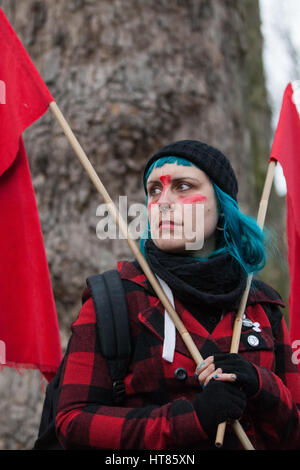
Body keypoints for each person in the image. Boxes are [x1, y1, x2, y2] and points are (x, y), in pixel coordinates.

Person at [55, 140, 300, 450]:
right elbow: (72, 422)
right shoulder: (115, 297)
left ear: (223, 206)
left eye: (183, 186)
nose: (163, 202)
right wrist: (194, 418)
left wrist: (260, 385)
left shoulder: (262, 304)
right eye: (154, 190)